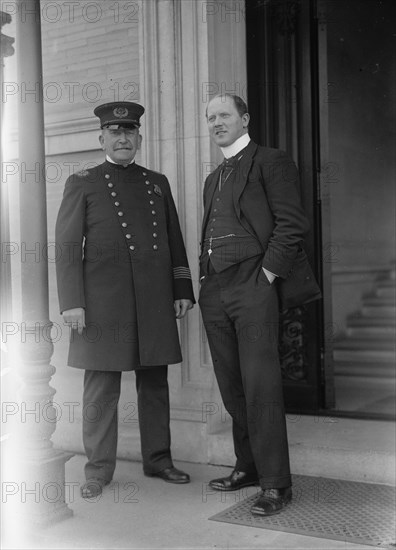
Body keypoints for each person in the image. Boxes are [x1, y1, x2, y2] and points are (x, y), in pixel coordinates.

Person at [55, 101, 195, 499]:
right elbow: (67, 247)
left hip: (152, 297)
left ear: (138, 137)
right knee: (101, 388)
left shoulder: (157, 182)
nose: (122, 139)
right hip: (102, 303)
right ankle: (97, 470)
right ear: (102, 138)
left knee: (155, 383)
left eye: (129, 132)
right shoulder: (82, 181)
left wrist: (181, 289)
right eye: (115, 133)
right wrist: (72, 302)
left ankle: (159, 460)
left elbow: (173, 240)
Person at [198, 93, 321, 516]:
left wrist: (266, 277)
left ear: (244, 118)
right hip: (215, 290)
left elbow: (292, 223)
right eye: (211, 117)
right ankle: (247, 466)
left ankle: (275, 484)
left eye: (224, 115)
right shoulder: (213, 178)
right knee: (232, 385)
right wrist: (203, 280)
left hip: (252, 285)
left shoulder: (271, 160)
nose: (217, 122)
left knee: (261, 386)